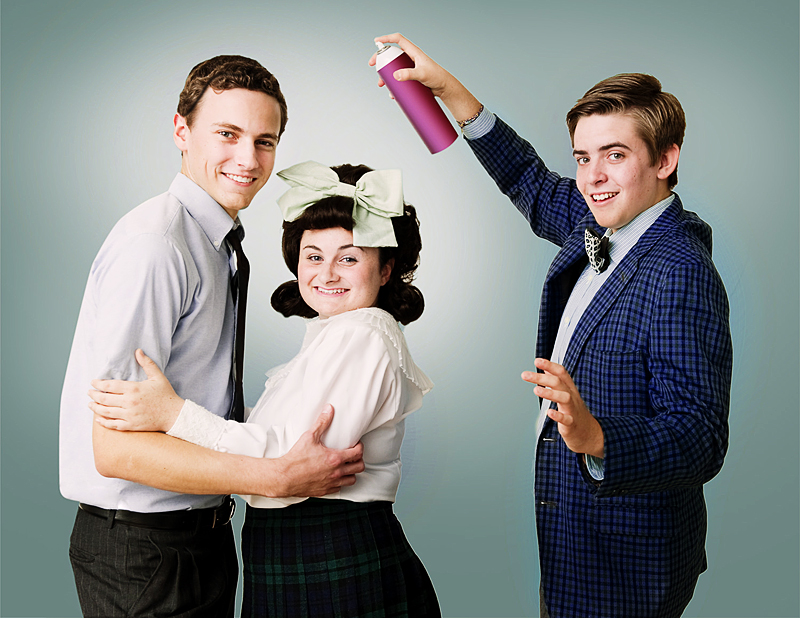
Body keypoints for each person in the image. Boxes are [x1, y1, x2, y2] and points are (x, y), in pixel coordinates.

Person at [369, 34, 733, 618]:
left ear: (665, 160)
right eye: (583, 157)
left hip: (626, 567)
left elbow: (701, 436)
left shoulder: (679, 272)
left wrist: (597, 439)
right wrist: (449, 90)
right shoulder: (607, 219)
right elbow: (530, 182)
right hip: (573, 542)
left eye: (615, 154)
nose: (593, 177)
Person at [60, 57, 364, 618]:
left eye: (264, 141)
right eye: (227, 134)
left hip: (202, 534)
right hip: (144, 549)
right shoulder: (158, 245)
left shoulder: (217, 241)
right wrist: (276, 475)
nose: (248, 160)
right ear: (181, 129)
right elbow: (115, 448)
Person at [91, 161, 440, 617]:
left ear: (386, 269)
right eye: (313, 256)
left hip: (332, 549)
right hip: (298, 554)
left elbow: (291, 460)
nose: (327, 273)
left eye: (349, 257)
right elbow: (276, 435)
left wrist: (174, 416)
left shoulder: (364, 333)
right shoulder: (334, 333)